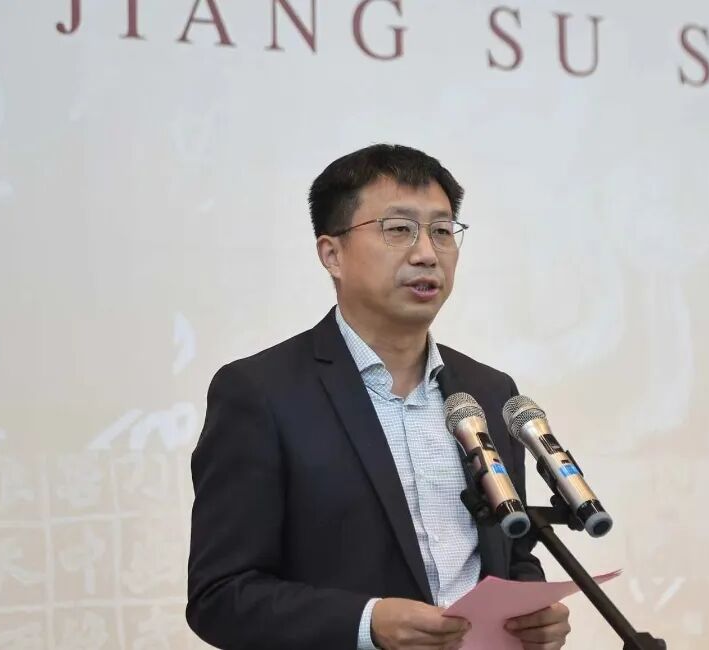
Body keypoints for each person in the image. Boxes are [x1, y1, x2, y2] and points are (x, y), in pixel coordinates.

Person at [186, 144, 571, 649]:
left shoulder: (487, 392)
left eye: (442, 231)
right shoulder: (261, 393)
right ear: (332, 254)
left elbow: (513, 554)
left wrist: (531, 612)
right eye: (399, 229)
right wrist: (367, 623)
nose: (427, 253)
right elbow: (221, 595)